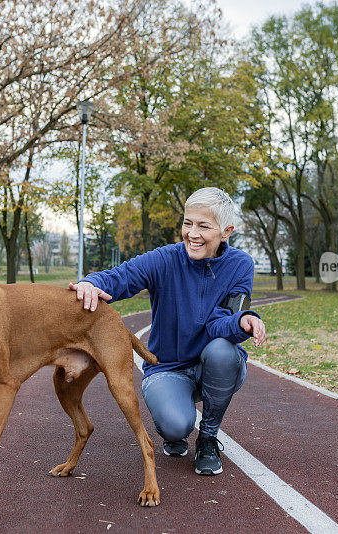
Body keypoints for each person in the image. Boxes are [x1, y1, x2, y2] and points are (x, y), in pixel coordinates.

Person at [69, 187, 266, 475]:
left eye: (204, 226)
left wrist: (242, 321)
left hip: (211, 365)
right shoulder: (165, 259)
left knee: (224, 351)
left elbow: (220, 322)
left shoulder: (240, 265)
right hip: (168, 368)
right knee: (176, 427)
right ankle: (175, 427)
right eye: (188, 223)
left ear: (226, 232)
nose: (193, 233)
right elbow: (121, 277)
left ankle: (209, 437)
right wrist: (89, 282)